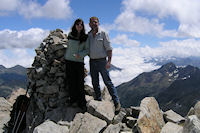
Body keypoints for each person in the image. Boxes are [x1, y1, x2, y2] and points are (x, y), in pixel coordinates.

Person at [88, 16, 121, 113]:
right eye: (92, 22)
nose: (94, 24)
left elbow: (109, 48)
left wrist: (109, 61)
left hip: (102, 61)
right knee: (95, 82)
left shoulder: (103, 34)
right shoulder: (88, 35)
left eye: (96, 22)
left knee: (108, 82)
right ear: (89, 24)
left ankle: (116, 103)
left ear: (98, 23)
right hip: (92, 61)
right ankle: (98, 100)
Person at [64, 18, 88, 111]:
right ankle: (73, 100)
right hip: (69, 61)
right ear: (75, 25)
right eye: (77, 24)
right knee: (71, 82)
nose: (79, 26)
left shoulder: (85, 37)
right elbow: (68, 47)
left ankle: (82, 103)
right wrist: (65, 56)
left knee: (80, 83)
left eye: (81, 25)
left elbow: (87, 50)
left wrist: (80, 55)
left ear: (83, 27)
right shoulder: (70, 35)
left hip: (79, 62)